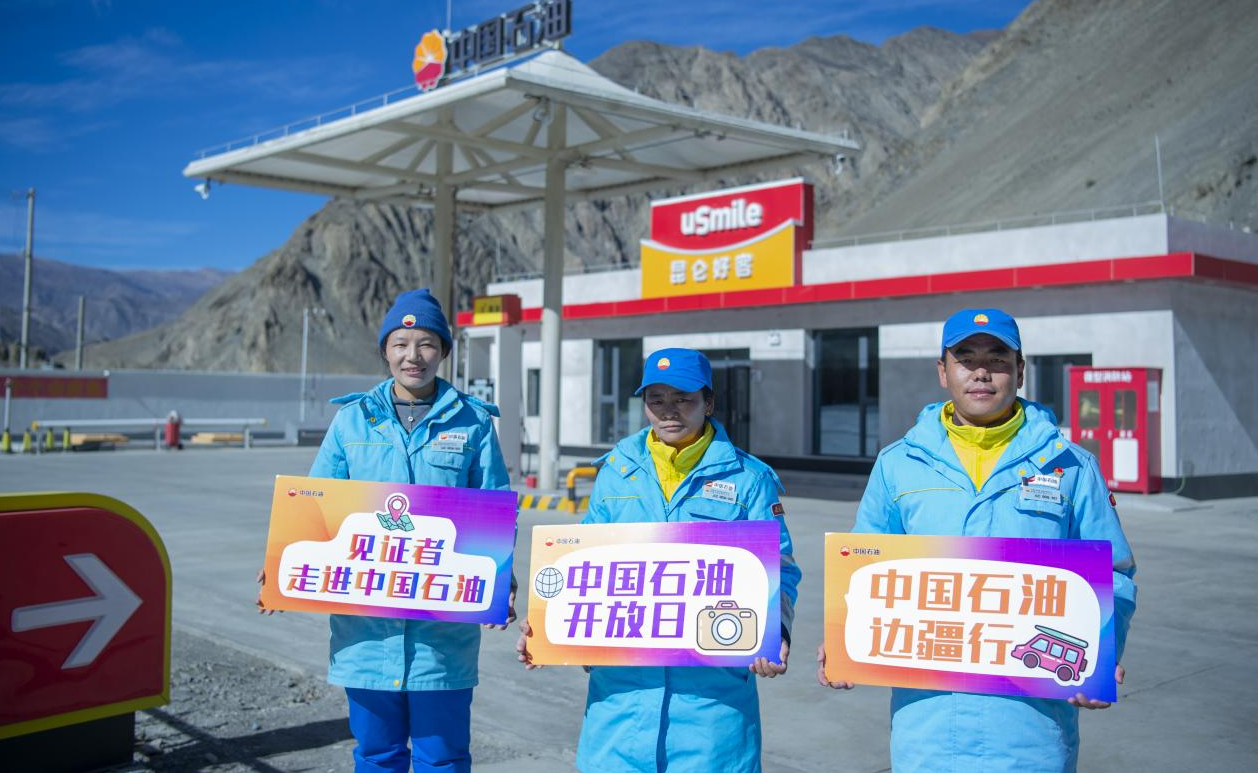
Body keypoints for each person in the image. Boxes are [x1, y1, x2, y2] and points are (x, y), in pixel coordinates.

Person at [818, 308, 1137, 773]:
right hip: (926, 731)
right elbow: (864, 566)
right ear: (943, 371)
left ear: (1020, 371)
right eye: (965, 358)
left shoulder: (1071, 466)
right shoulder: (898, 464)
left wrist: (1103, 649)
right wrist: (844, 637)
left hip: (1030, 735)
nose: (981, 371)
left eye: (998, 359)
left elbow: (1113, 573)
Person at [517, 347, 801, 773]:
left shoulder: (749, 478)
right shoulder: (617, 471)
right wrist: (548, 625)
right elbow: (582, 561)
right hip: (620, 706)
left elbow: (781, 566)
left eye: (684, 398)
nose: (669, 411)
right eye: (656, 399)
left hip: (710, 709)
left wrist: (776, 627)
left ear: (708, 403)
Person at [291, 288, 512, 773]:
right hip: (366, 637)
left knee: (443, 758)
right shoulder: (352, 421)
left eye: (427, 343)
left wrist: (499, 579)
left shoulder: (474, 422)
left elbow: (493, 507)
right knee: (376, 755)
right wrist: (281, 566)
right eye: (400, 344)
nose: (413, 356)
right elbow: (313, 509)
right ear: (385, 351)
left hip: (441, 638)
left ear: (444, 351)